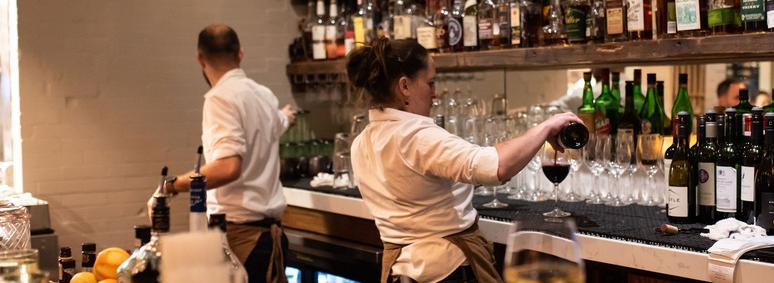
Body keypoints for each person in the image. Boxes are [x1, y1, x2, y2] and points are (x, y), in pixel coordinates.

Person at [345, 37, 580, 283]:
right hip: (447, 273)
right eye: (431, 82)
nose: (435, 93)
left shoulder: (362, 141)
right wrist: (546, 127)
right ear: (404, 86)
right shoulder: (417, 136)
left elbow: (421, 185)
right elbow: (497, 166)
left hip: (400, 271)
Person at [164, 24, 297, 283]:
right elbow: (276, 123)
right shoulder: (264, 95)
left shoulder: (219, 99)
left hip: (240, 240)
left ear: (200, 58)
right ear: (240, 54)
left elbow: (228, 167)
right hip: (269, 237)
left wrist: (172, 186)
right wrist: (286, 116)